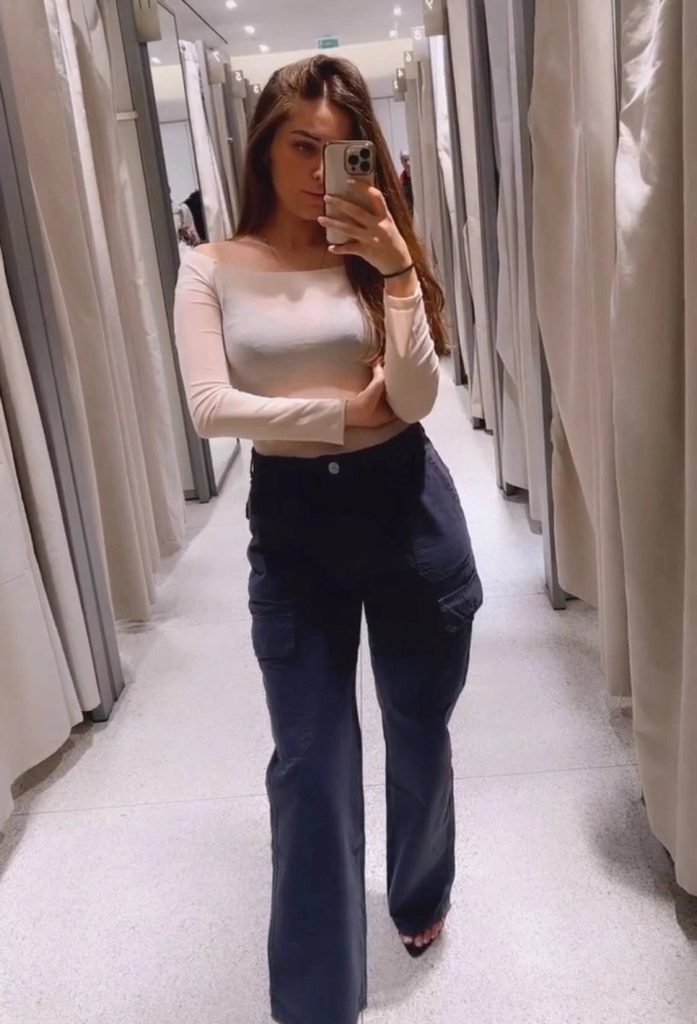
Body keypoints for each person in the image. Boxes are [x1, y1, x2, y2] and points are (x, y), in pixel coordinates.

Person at [174, 54, 483, 1024]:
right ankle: (316, 1003)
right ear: (263, 148)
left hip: (406, 511)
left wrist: (395, 268)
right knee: (309, 764)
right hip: (294, 527)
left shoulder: (376, 255)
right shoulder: (210, 266)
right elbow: (211, 407)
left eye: (341, 151)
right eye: (301, 148)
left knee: (418, 731)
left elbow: (417, 398)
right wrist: (338, 414)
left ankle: (420, 892)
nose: (319, 174)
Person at [400, 149, 414, 215]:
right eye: (405, 160)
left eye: (409, 159)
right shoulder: (402, 178)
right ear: (402, 162)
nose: (408, 163)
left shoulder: (418, 176)